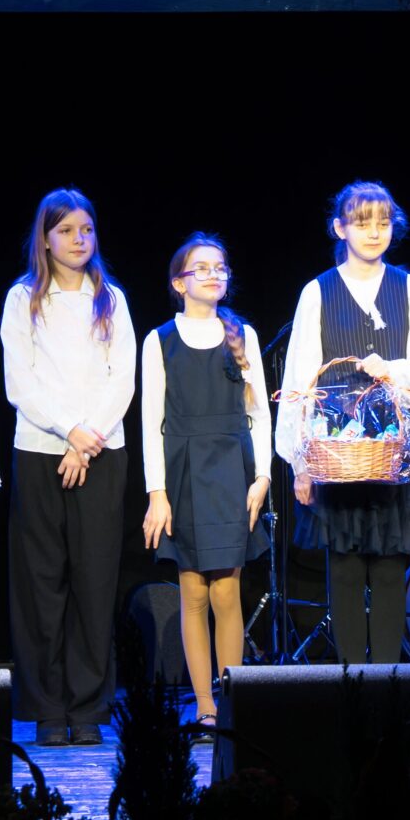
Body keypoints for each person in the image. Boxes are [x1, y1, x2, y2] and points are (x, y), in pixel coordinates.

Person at [277, 182, 410, 667]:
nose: (374, 232)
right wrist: (300, 461)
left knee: (392, 568)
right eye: (362, 222)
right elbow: (300, 377)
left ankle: (388, 679)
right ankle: (351, 680)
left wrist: (390, 369)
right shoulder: (318, 291)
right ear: (340, 228)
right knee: (346, 567)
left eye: (383, 222)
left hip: (396, 445)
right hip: (339, 446)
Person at [1, 189, 137, 746]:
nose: (79, 239)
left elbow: (122, 377)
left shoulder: (112, 299)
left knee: (94, 579)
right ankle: (47, 707)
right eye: (66, 231)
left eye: (86, 229)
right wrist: (68, 431)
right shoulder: (23, 298)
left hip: (101, 451)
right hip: (41, 450)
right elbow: (20, 381)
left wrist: (87, 440)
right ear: (45, 239)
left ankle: (88, 706)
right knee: (41, 581)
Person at [140, 235, 273, 738]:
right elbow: (151, 422)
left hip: (232, 468)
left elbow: (258, 414)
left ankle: (231, 700)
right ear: (179, 283)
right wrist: (157, 492)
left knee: (228, 590)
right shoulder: (160, 340)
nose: (214, 274)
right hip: (184, 469)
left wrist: (262, 476)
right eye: (202, 268)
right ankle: (204, 705)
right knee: (193, 590)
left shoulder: (242, 334)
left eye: (220, 267)